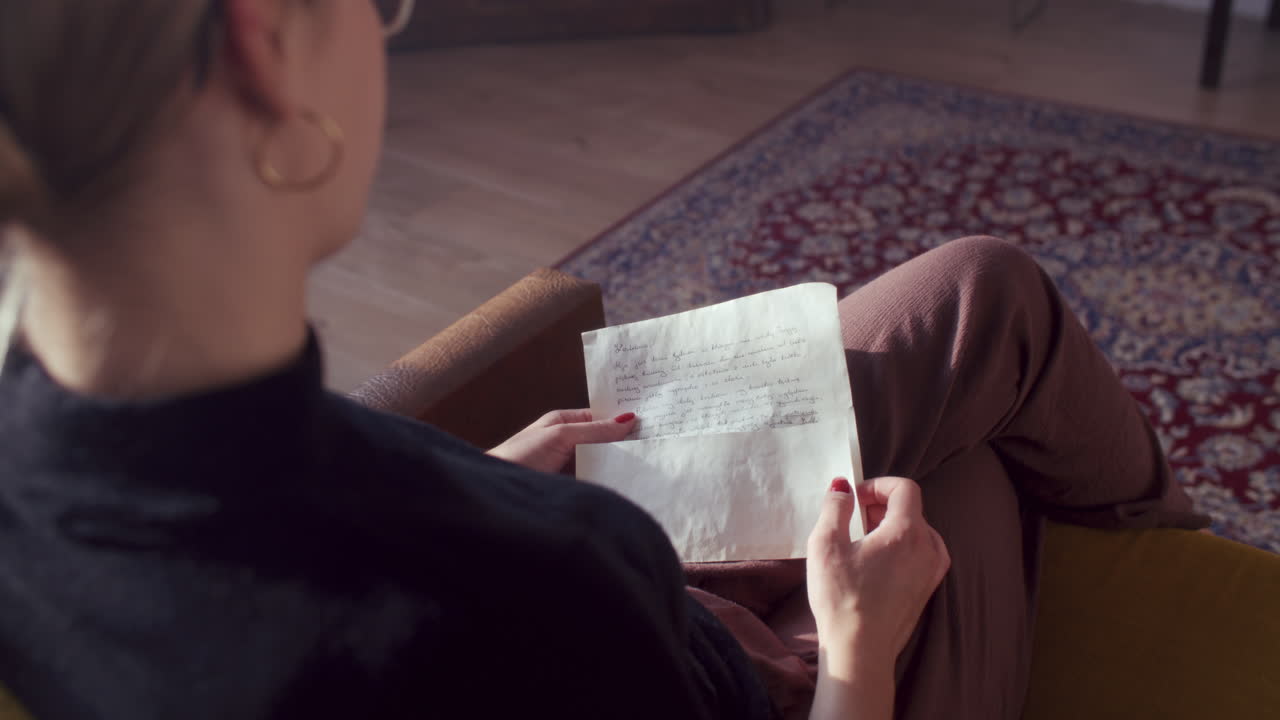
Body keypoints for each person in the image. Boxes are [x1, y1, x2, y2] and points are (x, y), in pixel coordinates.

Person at [0, 1, 1206, 719]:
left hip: (650, 614)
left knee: (975, 302)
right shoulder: (524, 600)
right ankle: (1184, 577)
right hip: (749, 678)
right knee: (978, 447)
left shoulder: (27, 445)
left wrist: (475, 474)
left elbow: (287, 540)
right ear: (265, 45)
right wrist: (855, 650)